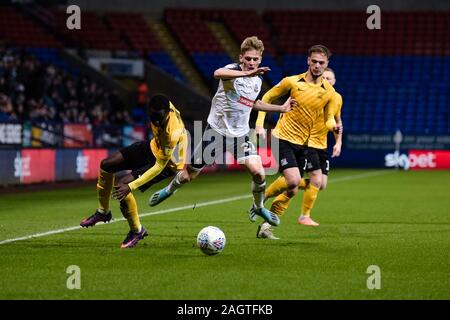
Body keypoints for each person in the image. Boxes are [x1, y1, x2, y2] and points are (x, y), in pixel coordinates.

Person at [148, 36, 296, 226]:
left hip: (240, 135)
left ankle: (259, 207)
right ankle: (169, 190)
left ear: (260, 59)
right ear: (241, 57)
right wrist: (247, 75)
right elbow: (217, 73)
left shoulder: (257, 80)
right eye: (248, 59)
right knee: (188, 175)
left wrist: (281, 109)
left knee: (259, 173)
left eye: (255, 59)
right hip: (215, 132)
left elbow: (252, 103)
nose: (251, 63)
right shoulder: (231, 71)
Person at [249, 45, 340, 239]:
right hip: (283, 137)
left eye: (321, 63)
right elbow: (267, 97)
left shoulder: (330, 92)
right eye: (314, 61)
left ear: (327, 64)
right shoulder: (292, 82)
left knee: (292, 188)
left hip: (305, 143)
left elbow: (330, 118)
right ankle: (262, 201)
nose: (317, 66)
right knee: (293, 180)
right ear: (308, 60)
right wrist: (259, 124)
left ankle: (265, 226)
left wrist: (334, 127)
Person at [79, 94, 187, 248]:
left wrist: (130, 186)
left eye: (160, 116)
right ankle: (103, 212)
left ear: (167, 112)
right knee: (107, 165)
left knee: (122, 185)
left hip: (167, 164)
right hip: (152, 147)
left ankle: (137, 231)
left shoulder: (172, 133)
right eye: (153, 115)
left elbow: (158, 166)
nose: (156, 120)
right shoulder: (162, 106)